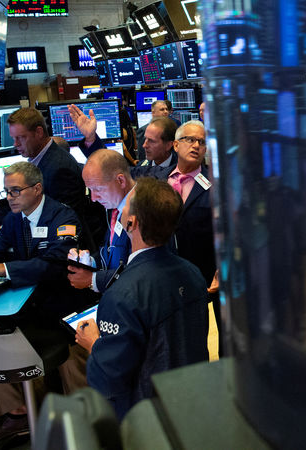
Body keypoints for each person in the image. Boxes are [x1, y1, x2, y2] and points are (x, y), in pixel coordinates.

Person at [0, 162, 93, 446]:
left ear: (37, 188)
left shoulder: (63, 218)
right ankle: (18, 413)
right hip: (27, 312)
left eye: (15, 191)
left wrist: (3, 269)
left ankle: (87, 424)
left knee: (74, 369)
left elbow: (54, 265)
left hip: (64, 313)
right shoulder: (13, 220)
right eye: (6, 191)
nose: (9, 197)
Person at [75, 178, 209, 418]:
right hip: (191, 402)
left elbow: (109, 380)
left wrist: (94, 343)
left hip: (145, 417)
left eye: (125, 207)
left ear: (131, 222)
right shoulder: (194, 273)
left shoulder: (122, 295)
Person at [7, 107, 104, 251]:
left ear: (39, 132)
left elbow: (63, 221)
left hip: (62, 250)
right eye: (13, 138)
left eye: (21, 137)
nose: (15, 144)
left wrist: (15, 231)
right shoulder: (39, 159)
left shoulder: (59, 168)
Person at [151, 120, 216, 285]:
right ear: (175, 145)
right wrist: (91, 140)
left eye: (201, 142)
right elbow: (119, 171)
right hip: (160, 272)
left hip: (200, 275)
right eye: (190, 139)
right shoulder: (156, 177)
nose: (196, 145)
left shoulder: (216, 185)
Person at [68, 149, 134, 293]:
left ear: (121, 180)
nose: (93, 198)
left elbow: (141, 271)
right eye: (90, 190)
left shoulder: (144, 211)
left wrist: (92, 279)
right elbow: (111, 251)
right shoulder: (115, 206)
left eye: (98, 189)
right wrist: (90, 261)